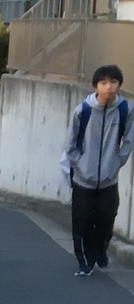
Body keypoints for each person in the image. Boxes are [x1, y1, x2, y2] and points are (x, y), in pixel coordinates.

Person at [60, 63, 132, 275]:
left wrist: (117, 162)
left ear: (119, 85)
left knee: (107, 218)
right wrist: (80, 165)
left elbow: (128, 141)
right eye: (103, 82)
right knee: (82, 222)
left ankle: (100, 250)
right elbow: (70, 144)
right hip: (83, 180)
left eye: (113, 82)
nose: (108, 87)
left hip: (109, 179)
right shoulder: (83, 111)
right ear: (95, 86)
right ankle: (85, 262)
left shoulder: (125, 110)